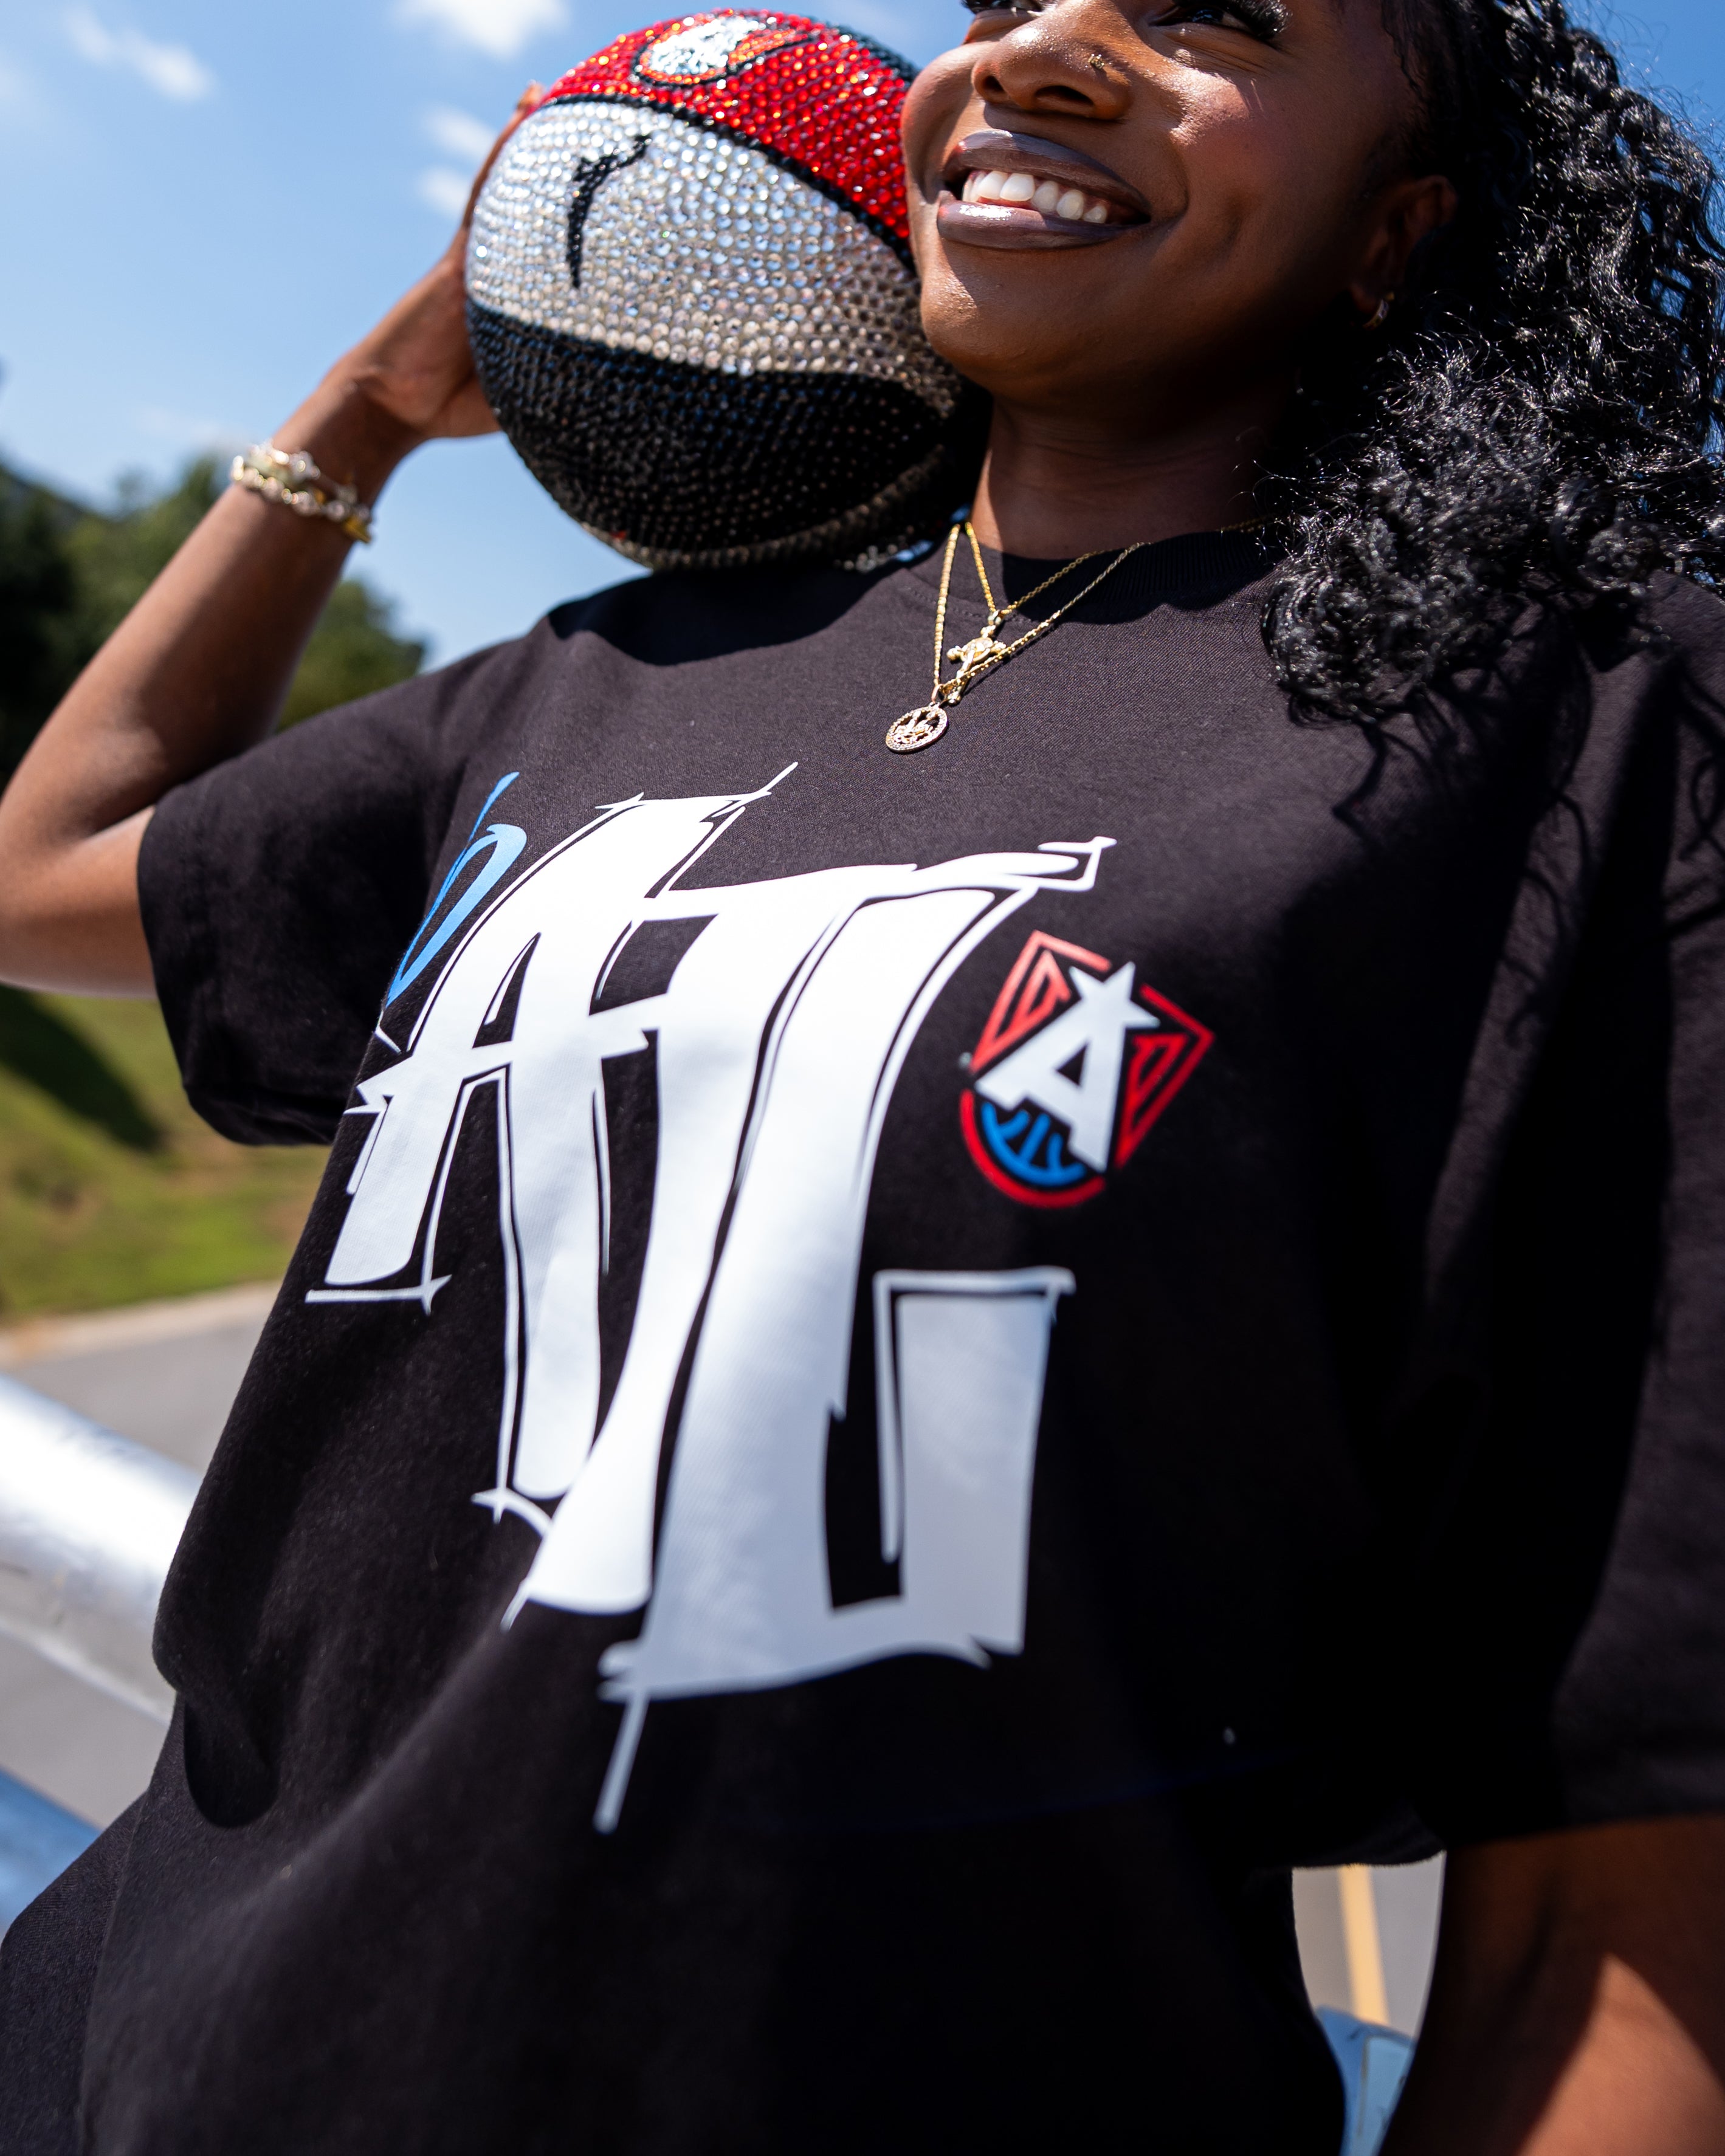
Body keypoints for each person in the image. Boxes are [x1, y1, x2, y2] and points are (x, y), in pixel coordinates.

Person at [1, 0, 1723, 2148]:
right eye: (1008, 2)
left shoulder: (1579, 723)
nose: (1056, 46)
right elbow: (42, 876)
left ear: (1400, 231)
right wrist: (362, 415)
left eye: (1217, 21)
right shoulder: (623, 666)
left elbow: (1621, 1910)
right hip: (112, 2059)